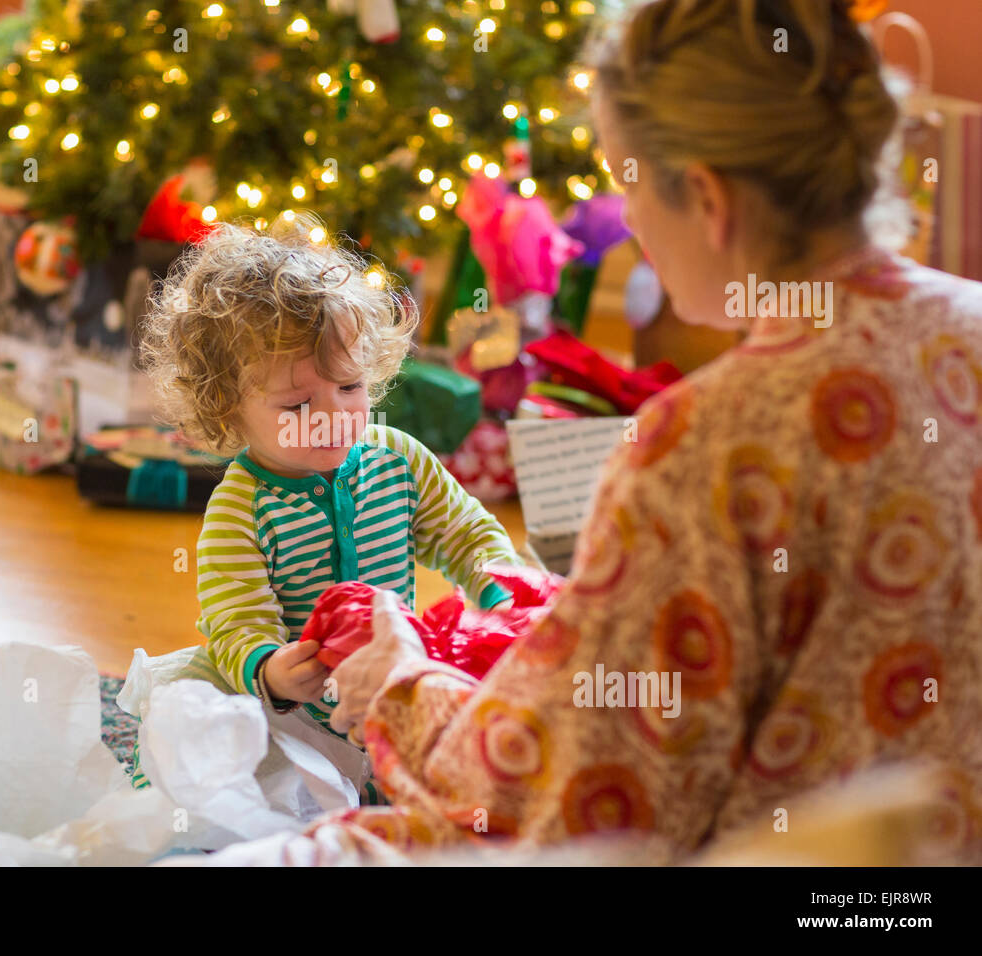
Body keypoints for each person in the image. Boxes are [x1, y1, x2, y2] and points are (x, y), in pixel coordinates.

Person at [316, 0, 982, 863]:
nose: (627, 217)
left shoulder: (706, 443)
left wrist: (399, 685)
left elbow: (585, 809)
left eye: (628, 182)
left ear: (706, 196)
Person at [128, 215, 523, 799]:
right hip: (284, 709)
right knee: (206, 780)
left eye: (349, 387)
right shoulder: (241, 509)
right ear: (227, 410)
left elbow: (468, 535)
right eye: (295, 405)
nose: (333, 415)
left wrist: (500, 590)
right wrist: (274, 670)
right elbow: (236, 621)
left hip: (385, 684)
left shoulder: (399, 461)